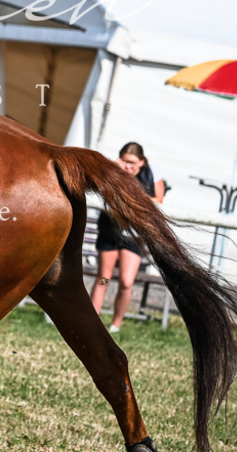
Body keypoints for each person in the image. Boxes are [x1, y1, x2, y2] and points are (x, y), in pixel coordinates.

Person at [89, 142, 166, 333]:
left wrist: (132, 196)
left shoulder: (152, 174)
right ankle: (92, 321)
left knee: (126, 282)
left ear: (141, 162)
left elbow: (159, 200)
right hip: (110, 232)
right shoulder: (114, 171)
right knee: (104, 279)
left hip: (132, 237)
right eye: (124, 161)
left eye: (132, 162)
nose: (128, 166)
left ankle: (115, 325)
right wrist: (114, 170)